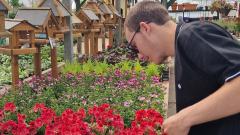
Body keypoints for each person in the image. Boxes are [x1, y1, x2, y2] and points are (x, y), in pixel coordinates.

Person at [124, 1, 240, 135]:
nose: (139, 56)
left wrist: (184, 119)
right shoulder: (182, 47)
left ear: (145, 28)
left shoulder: (192, 36)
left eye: (134, 46)